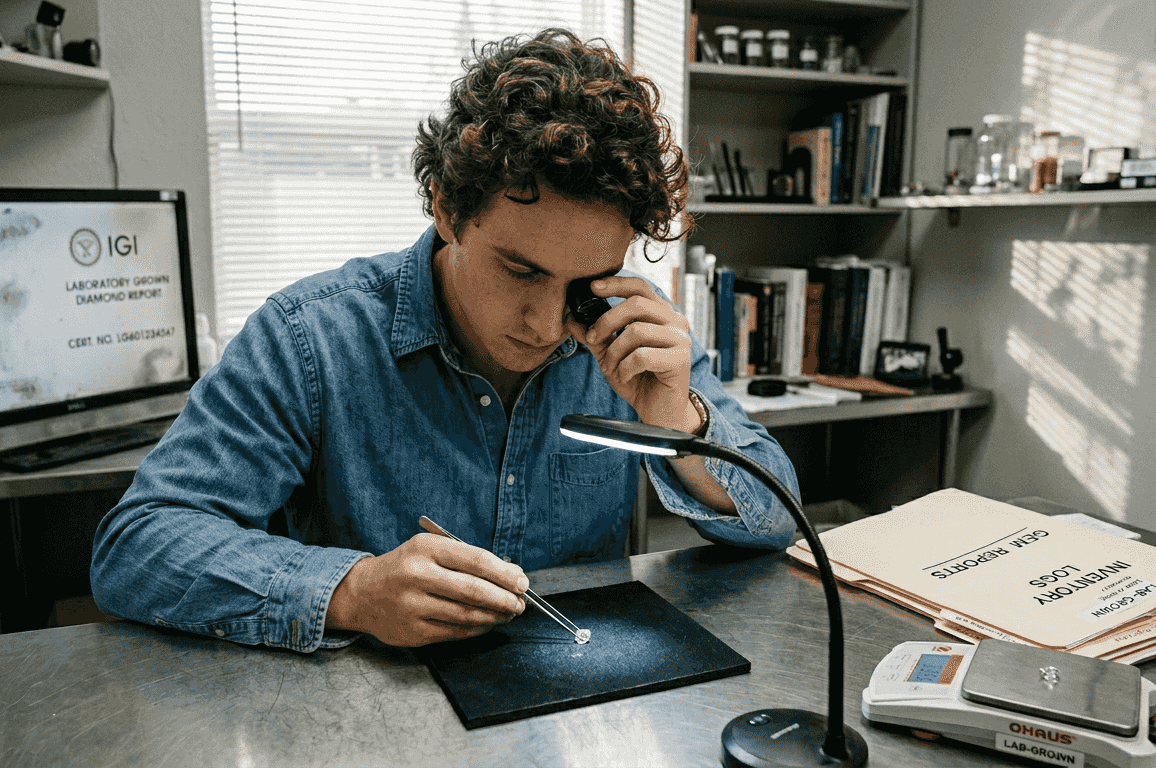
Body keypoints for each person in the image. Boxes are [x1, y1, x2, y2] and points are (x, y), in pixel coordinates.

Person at [91, 28, 798, 653]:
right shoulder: (310, 338)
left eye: (587, 280)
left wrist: (677, 424)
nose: (550, 326)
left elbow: (778, 519)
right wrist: (353, 591)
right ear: (448, 208)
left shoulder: (629, 335)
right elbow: (138, 545)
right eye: (521, 270)